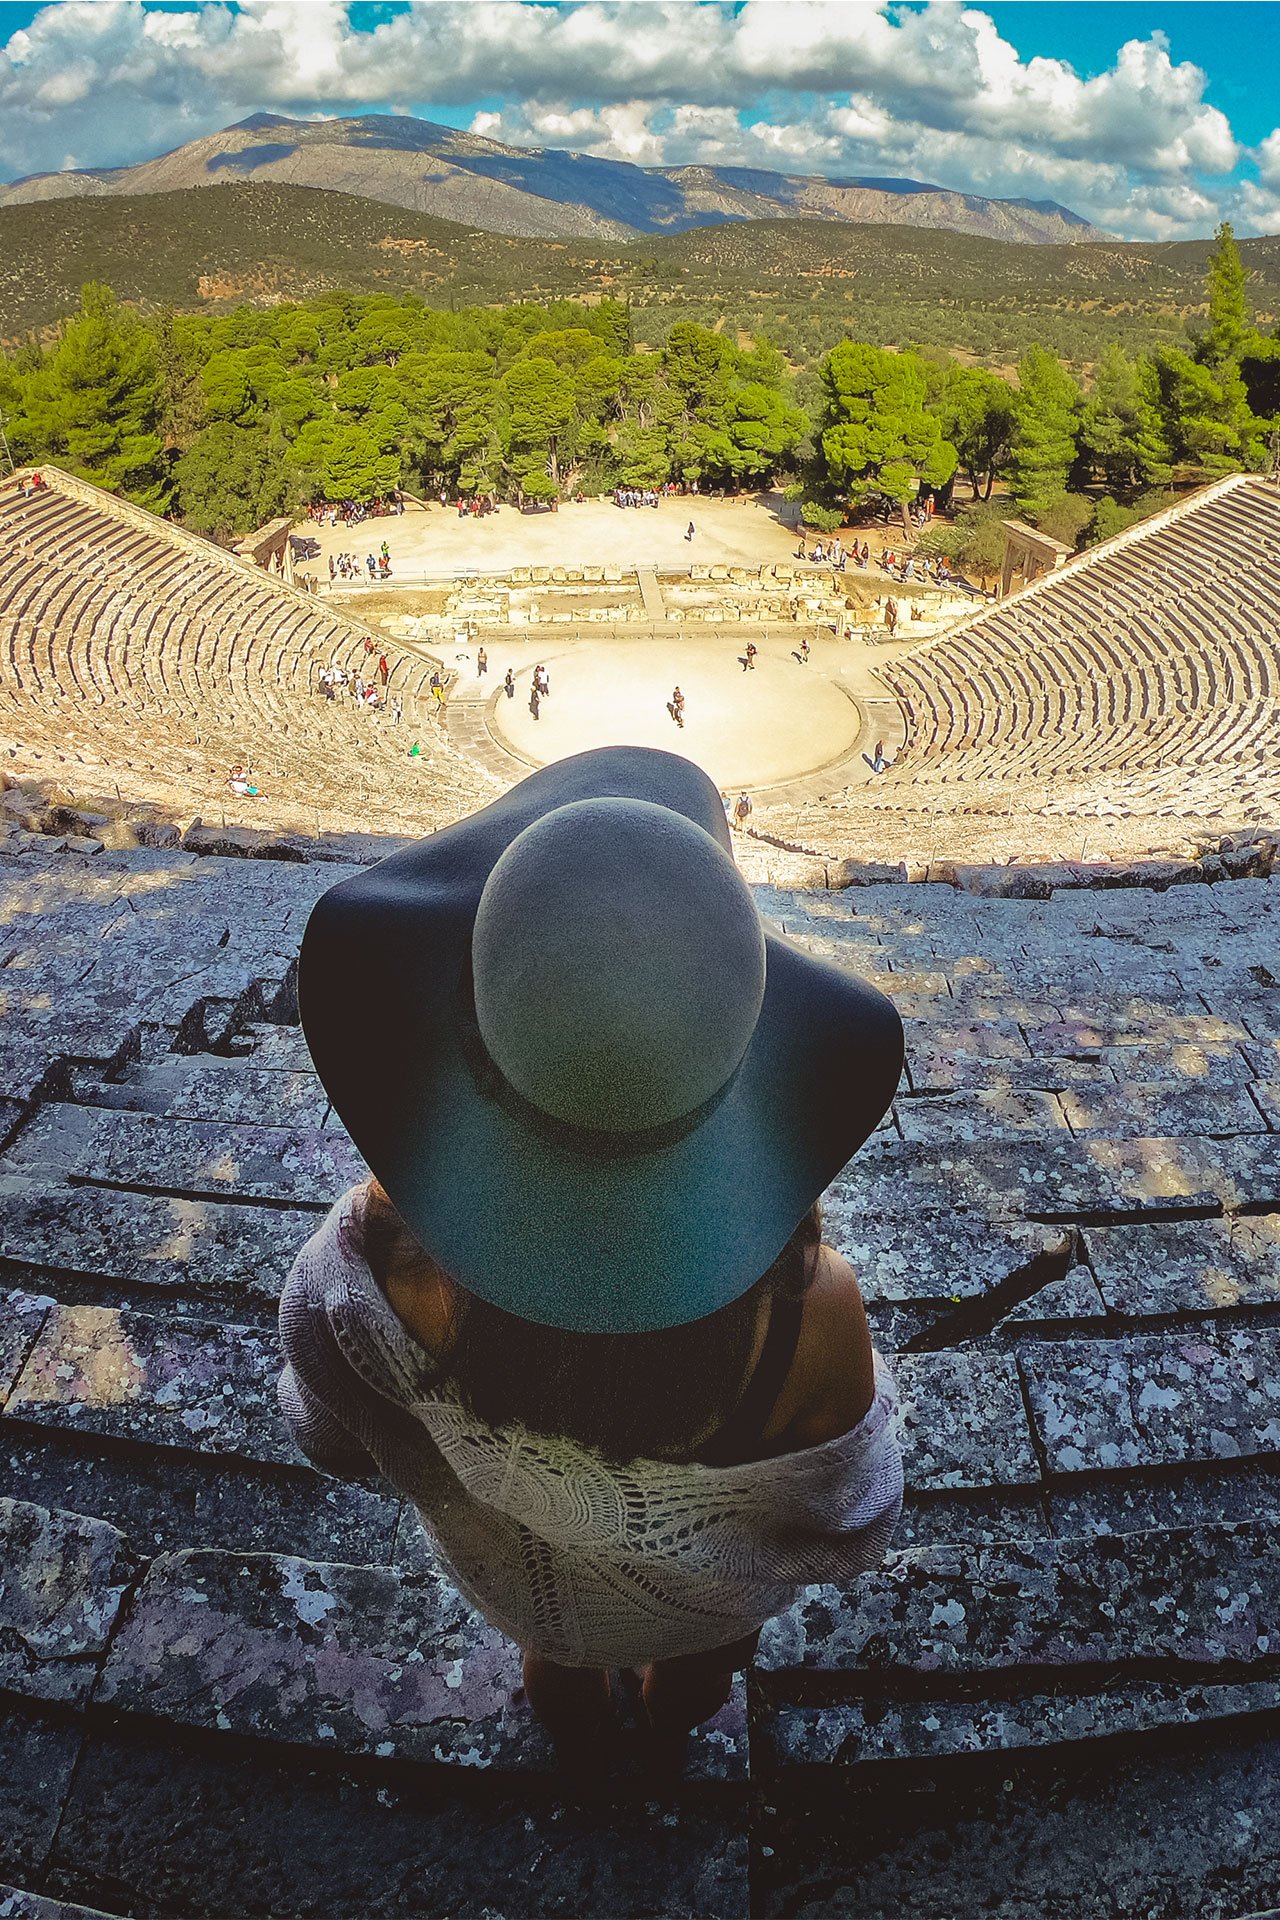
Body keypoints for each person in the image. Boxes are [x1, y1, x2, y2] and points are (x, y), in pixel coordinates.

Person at [278, 747, 904, 1781]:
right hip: (707, 1609)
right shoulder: (811, 1317)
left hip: (517, 1584)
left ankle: (577, 1738)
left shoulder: (361, 1281)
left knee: (553, 1661)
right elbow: (851, 1523)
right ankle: (657, 1750)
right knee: (700, 1681)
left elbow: (327, 1438)